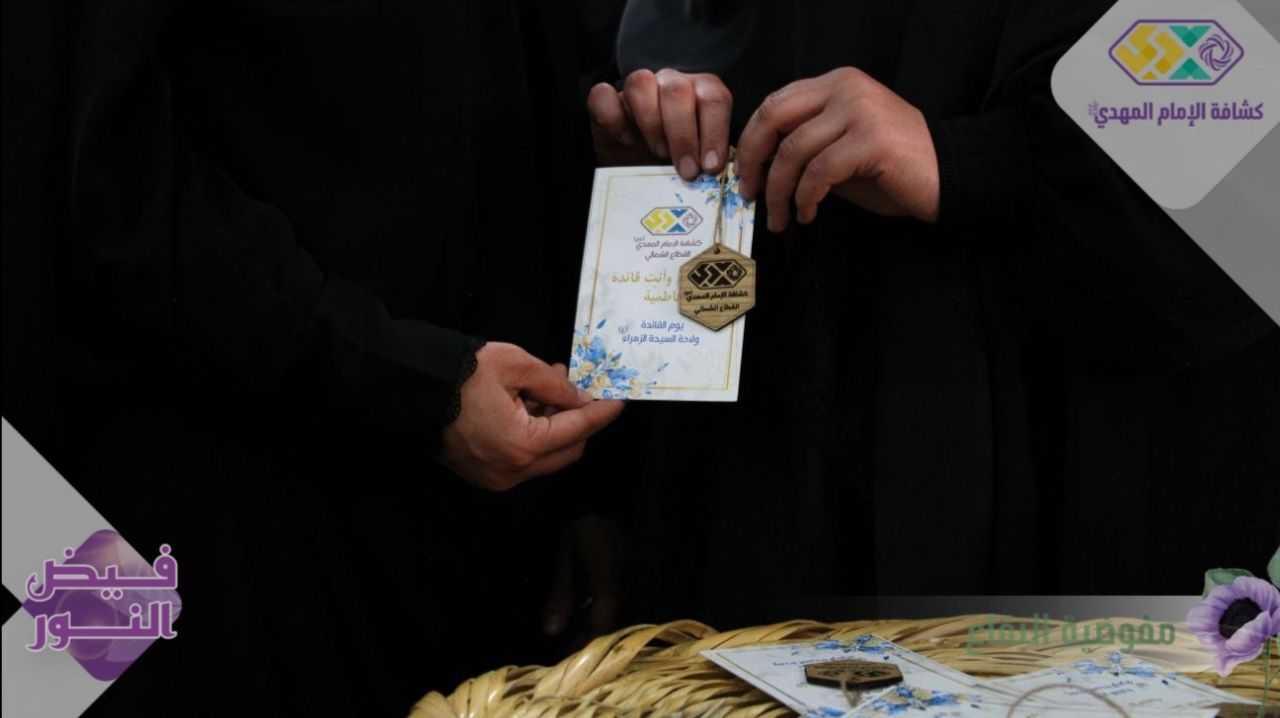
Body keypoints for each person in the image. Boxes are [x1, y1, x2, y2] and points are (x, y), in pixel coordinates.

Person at [4, 1, 625, 714]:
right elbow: (108, 188)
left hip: (492, 499)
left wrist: (588, 485)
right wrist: (413, 385)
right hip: (226, 500)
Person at [587, 0, 1279, 627]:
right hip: (763, 483)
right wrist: (664, 147)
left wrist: (967, 160)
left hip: (1066, 498)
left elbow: (1240, 161)